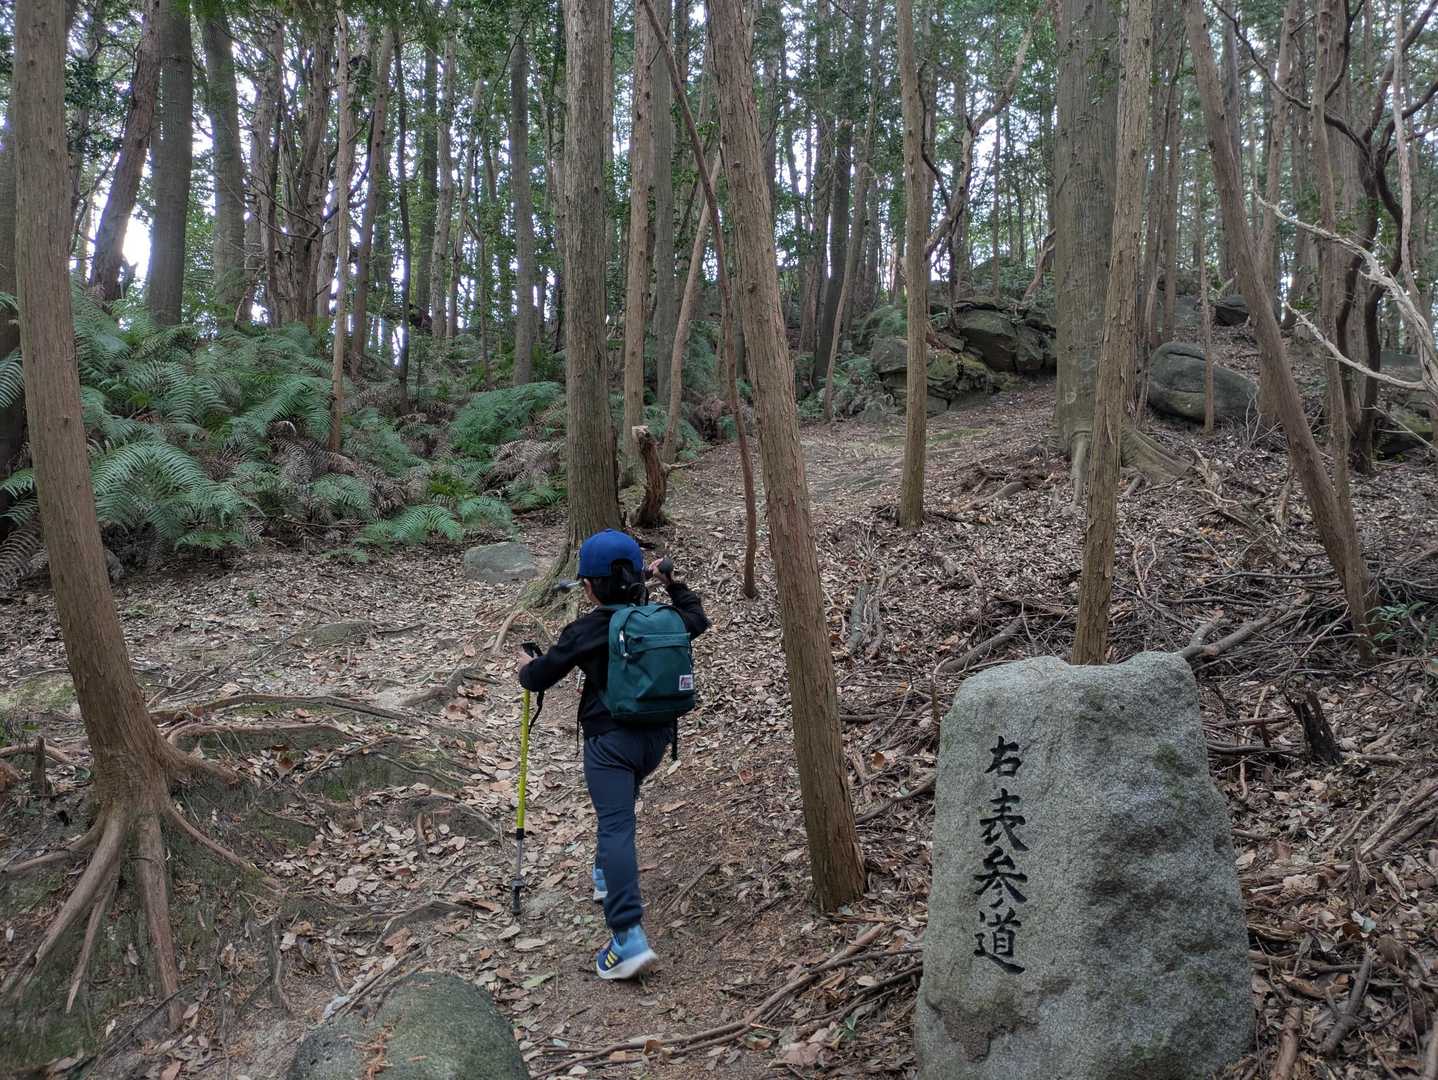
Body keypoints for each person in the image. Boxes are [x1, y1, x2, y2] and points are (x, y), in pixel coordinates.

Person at [515, 529, 709, 979]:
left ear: (589, 586)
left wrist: (525, 667)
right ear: (638, 578)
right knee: (619, 816)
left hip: (610, 745)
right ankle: (606, 876)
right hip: (656, 740)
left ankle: (627, 938)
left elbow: (540, 677)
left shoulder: (587, 629)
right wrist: (673, 583)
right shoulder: (663, 619)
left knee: (616, 826)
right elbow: (697, 619)